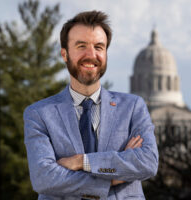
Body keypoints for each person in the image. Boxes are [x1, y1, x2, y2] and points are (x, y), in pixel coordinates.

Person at [23, 11, 158, 200]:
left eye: (99, 47)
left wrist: (82, 161)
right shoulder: (39, 114)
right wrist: (115, 174)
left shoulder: (133, 107)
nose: (91, 54)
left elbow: (148, 162)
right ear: (64, 54)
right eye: (81, 46)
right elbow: (43, 178)